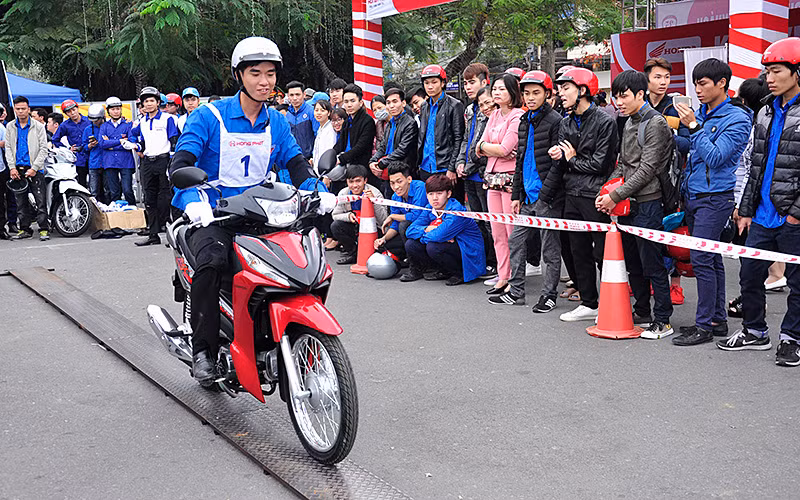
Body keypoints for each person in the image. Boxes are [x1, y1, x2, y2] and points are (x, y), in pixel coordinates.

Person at [168, 36, 324, 384]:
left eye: (271, 74)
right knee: (211, 263)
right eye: (256, 73)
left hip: (259, 214)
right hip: (213, 215)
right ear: (239, 75)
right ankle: (204, 350)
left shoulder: (276, 121)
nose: (265, 81)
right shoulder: (209, 117)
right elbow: (181, 163)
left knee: (297, 260)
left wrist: (321, 192)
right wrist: (194, 203)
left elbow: (297, 164)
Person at [720, 37, 800, 366]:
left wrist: (796, 215)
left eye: (777, 70)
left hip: (791, 218)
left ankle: (792, 338)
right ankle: (755, 331)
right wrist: (746, 209)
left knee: (797, 283)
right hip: (762, 216)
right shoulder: (766, 110)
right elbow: (756, 166)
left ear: (797, 72)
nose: (769, 76)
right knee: (749, 275)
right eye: (767, 70)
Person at [670, 58, 752, 346]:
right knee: (711, 258)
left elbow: (717, 157)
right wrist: (671, 131)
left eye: (703, 83)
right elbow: (693, 149)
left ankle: (704, 325)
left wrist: (693, 125)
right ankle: (716, 321)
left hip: (716, 197)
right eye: (695, 83)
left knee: (702, 259)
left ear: (722, 84)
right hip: (692, 194)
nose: (698, 89)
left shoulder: (738, 118)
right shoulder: (701, 113)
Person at [596, 70, 674, 338]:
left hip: (650, 202)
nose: (618, 101)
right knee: (633, 261)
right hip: (629, 203)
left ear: (640, 94)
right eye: (616, 97)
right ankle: (642, 309)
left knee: (652, 261)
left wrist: (614, 196)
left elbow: (647, 169)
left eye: (624, 96)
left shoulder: (656, 123)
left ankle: (663, 319)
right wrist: (605, 192)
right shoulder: (628, 121)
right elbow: (623, 165)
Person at [549, 67, 618, 322]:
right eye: (560, 88)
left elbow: (601, 164)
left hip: (595, 195)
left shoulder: (605, 121)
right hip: (571, 193)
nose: (560, 93)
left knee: (602, 253)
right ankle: (589, 302)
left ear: (583, 90)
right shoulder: (564, 122)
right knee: (577, 251)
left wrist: (571, 159)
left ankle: (613, 301)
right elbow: (567, 161)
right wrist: (563, 157)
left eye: (566, 88)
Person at [490, 70, 563, 311]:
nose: (530, 98)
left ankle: (549, 295)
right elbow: (520, 160)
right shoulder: (524, 120)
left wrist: (545, 196)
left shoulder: (555, 121)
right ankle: (517, 291)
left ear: (548, 94)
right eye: (527, 93)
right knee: (516, 241)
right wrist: (517, 195)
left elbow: (557, 165)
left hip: (548, 198)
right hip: (527, 197)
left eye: (536, 93)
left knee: (550, 251)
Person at [642, 57, 692, 305]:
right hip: (645, 179)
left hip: (672, 180)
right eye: (657, 77)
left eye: (667, 77)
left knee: (673, 231)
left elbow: (687, 143)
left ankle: (676, 286)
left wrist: (665, 135)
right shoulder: (639, 105)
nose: (663, 82)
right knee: (648, 233)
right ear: (646, 79)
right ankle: (650, 281)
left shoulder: (676, 107)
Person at [474, 73, 525, 295]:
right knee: (497, 231)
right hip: (491, 177)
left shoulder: (518, 116)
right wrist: (489, 146)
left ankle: (516, 277)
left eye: (502, 89)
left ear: (513, 92)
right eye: (494, 88)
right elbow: (478, 147)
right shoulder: (493, 115)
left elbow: (506, 149)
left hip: (511, 179)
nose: (496, 93)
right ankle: (503, 275)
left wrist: (488, 146)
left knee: (511, 231)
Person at [400, 174, 485, 286]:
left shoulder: (456, 211)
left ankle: (459, 274)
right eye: (431, 194)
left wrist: (435, 236)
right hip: (448, 244)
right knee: (411, 244)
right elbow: (410, 231)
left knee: (433, 246)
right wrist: (427, 229)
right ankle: (437, 270)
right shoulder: (430, 208)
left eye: (439, 193)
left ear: (448, 194)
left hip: (467, 250)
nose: (435, 198)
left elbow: (437, 236)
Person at [456, 64, 496, 278]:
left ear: (485, 81)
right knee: (478, 221)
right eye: (465, 83)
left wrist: (468, 165)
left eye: (472, 82)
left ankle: (495, 262)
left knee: (491, 223)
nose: (468, 87)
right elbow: (465, 139)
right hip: (468, 174)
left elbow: (484, 145)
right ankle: (483, 262)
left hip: (484, 174)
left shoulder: (491, 109)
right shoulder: (469, 109)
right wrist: (459, 162)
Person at [129, 86, 180, 246]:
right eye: (146, 102)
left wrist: (172, 161)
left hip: (163, 160)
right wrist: (138, 147)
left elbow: (174, 140)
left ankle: (169, 230)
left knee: (165, 197)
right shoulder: (142, 121)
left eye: (152, 101)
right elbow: (134, 135)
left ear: (158, 102)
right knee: (148, 197)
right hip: (147, 162)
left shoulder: (168, 119)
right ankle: (153, 235)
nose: (149, 104)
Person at [5, 96, 49, 240]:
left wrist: (35, 167)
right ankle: (25, 229)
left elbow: (43, 149)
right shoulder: (10, 126)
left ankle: (43, 229)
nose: (21, 111)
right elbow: (8, 148)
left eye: (23, 108)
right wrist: (12, 168)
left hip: (35, 169)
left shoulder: (38, 126)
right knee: (20, 202)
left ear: (28, 109)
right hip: (18, 168)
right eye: (18, 109)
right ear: (15, 110)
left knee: (40, 200)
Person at [330, 164, 387, 265]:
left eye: (358, 181)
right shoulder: (344, 193)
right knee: (336, 226)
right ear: (346, 182)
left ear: (365, 180)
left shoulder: (375, 192)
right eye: (351, 182)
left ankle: (371, 253)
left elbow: (384, 220)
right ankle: (353, 253)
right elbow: (335, 215)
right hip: (355, 225)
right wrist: (348, 216)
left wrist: (374, 201)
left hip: (373, 228)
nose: (355, 185)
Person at [369, 87, 419, 194]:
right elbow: (382, 147)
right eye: (388, 102)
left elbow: (402, 150)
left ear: (403, 103)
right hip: (389, 172)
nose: (391, 106)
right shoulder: (390, 124)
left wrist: (382, 163)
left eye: (395, 102)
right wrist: (373, 161)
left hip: (403, 171)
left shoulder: (410, 123)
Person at [375, 162, 427, 259]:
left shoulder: (420, 188)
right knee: (384, 246)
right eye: (392, 183)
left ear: (409, 179)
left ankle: (416, 264)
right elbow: (395, 224)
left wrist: (392, 216)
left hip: (425, 229)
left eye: (399, 181)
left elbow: (416, 216)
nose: (396, 187)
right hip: (407, 232)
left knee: (404, 225)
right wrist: (383, 239)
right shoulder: (395, 196)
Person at [333, 84, 377, 180]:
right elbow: (340, 144)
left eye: (353, 101)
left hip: (361, 167)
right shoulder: (347, 121)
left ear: (360, 102)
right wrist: (331, 156)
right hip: (346, 165)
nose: (349, 105)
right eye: (346, 101)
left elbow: (361, 146)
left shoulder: (368, 121)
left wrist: (341, 159)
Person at [99, 96, 136, 204]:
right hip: (110, 162)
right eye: (113, 109)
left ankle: (134, 213)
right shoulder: (104, 126)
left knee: (127, 190)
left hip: (126, 162)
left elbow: (130, 142)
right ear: (108, 111)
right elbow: (102, 144)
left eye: (118, 109)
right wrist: (120, 141)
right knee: (114, 192)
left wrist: (110, 144)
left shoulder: (128, 124)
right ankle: (117, 217)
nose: (116, 111)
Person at [52, 99, 90, 187]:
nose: (72, 113)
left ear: (78, 108)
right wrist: (67, 149)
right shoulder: (65, 125)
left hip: (92, 155)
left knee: (97, 183)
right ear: (66, 114)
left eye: (74, 110)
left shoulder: (88, 121)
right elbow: (55, 139)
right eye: (69, 112)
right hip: (78, 158)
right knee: (81, 183)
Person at [285, 81, 318, 159]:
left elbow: (318, 135)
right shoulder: (288, 114)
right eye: (291, 95)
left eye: (297, 94)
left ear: (304, 94)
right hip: (292, 158)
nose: (295, 98)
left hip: (309, 158)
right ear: (288, 97)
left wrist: (313, 156)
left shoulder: (312, 112)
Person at [82, 103, 107, 203]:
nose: (95, 122)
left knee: (108, 191)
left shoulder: (108, 127)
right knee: (93, 191)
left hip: (107, 163)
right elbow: (83, 146)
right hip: (94, 163)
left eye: (96, 120)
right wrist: (89, 146)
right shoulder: (88, 129)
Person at [312, 99, 337, 174]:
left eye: (322, 110)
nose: (319, 113)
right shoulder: (320, 128)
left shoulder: (330, 129)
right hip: (317, 171)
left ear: (329, 113)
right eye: (316, 110)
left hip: (326, 173)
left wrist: (327, 176)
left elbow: (330, 152)